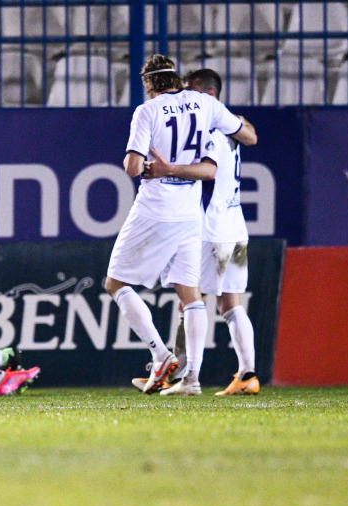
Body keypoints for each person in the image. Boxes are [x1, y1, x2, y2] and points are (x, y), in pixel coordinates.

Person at [104, 54, 256, 397]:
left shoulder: (148, 110)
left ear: (148, 85)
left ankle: (161, 354)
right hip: (196, 215)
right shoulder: (206, 105)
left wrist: (150, 166)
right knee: (196, 297)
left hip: (158, 206)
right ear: (175, 79)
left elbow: (131, 167)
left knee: (116, 283)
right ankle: (194, 379)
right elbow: (246, 135)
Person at [186, 68, 261, 396]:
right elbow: (251, 135)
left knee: (190, 300)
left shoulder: (208, 128)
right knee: (231, 304)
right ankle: (248, 374)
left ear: (205, 93)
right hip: (235, 226)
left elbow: (207, 172)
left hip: (209, 228)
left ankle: (185, 376)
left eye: (190, 91)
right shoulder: (231, 126)